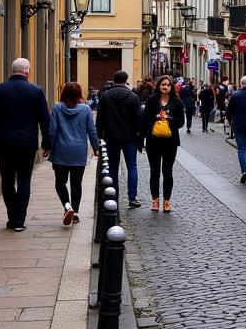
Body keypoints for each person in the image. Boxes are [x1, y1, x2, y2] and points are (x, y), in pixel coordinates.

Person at [0, 57, 51, 232]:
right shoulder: (36, 91)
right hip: (27, 142)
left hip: (4, 142)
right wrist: (47, 143)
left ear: (13, 70)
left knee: (7, 179)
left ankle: (12, 215)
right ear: (27, 71)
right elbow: (44, 120)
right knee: (24, 179)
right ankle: (19, 220)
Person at [48, 81, 100, 225]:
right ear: (79, 94)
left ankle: (67, 206)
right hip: (78, 151)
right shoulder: (86, 110)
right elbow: (92, 131)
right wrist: (96, 148)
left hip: (60, 151)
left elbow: (52, 130)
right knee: (76, 183)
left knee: (60, 182)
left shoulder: (57, 108)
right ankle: (75, 212)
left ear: (64, 92)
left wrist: (48, 146)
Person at [95, 70, 143, 207]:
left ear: (114, 80)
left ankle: (113, 196)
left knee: (113, 169)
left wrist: (100, 137)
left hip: (111, 138)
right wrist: (140, 139)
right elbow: (138, 120)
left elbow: (100, 119)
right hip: (130, 138)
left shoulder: (105, 96)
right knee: (132, 167)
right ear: (126, 80)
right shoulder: (133, 97)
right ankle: (132, 198)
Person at [139, 74, 185, 213]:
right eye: (163, 84)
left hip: (170, 142)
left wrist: (169, 118)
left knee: (167, 172)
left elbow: (181, 122)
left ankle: (166, 201)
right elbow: (145, 119)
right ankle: (155, 200)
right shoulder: (152, 100)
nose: (165, 87)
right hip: (153, 141)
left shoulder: (177, 102)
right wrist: (156, 117)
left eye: (168, 85)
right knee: (154, 172)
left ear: (171, 87)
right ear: (159, 86)